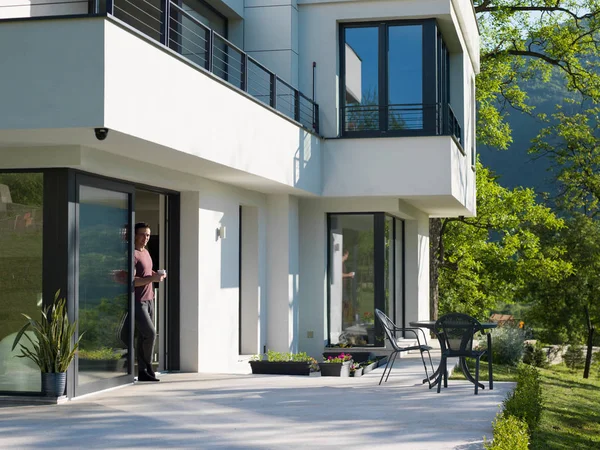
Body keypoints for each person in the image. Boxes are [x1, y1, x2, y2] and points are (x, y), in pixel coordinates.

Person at [133, 222, 165, 382]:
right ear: (135, 235)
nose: (146, 238)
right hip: (137, 301)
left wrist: (156, 274)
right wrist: (152, 278)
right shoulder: (132, 254)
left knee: (143, 336)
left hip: (149, 298)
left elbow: (146, 273)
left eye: (148, 235)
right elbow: (131, 281)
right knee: (150, 334)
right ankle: (147, 369)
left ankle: (143, 372)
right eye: (142, 234)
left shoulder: (145, 252)